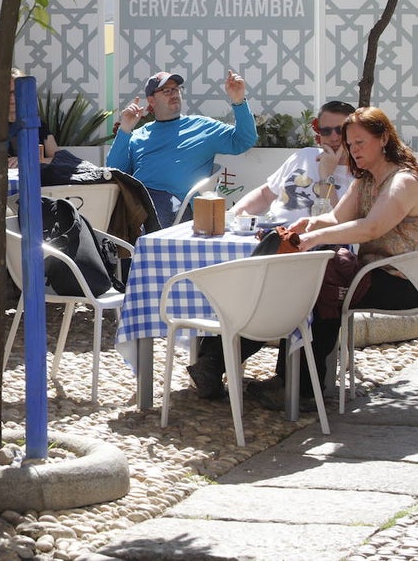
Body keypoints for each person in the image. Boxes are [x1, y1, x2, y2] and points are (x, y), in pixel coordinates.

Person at [244, 106, 418, 410]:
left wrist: (315, 237)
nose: (353, 150)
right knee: (311, 276)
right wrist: (306, 225)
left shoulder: (403, 181)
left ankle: (300, 386)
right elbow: (336, 218)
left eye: (360, 142)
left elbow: (371, 227)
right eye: (350, 145)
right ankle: (295, 383)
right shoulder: (365, 180)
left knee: (317, 281)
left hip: (404, 279)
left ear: (384, 138)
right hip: (373, 272)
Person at [107, 70, 257, 226]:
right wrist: (124, 129)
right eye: (166, 91)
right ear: (151, 100)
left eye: (177, 89)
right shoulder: (139, 135)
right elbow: (115, 172)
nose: (174, 94)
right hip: (138, 200)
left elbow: (244, 140)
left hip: (174, 203)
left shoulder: (202, 127)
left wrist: (239, 101)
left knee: (146, 213)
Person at [230, 100, 358, 221]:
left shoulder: (359, 176)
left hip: (312, 240)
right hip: (272, 233)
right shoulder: (306, 155)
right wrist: (232, 214)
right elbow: (265, 195)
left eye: (340, 130)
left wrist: (327, 175)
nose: (334, 137)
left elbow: (336, 223)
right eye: (326, 131)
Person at [0, 68, 58, 170]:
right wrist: (10, 164)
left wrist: (25, 161)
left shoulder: (36, 124)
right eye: (6, 92)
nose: (12, 98)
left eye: (16, 92)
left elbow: (57, 159)